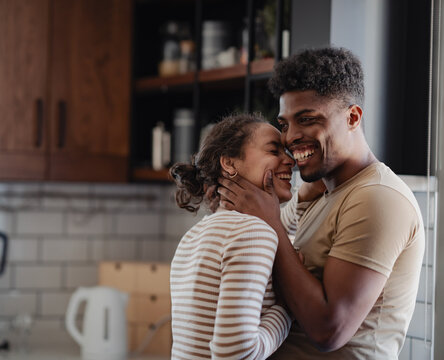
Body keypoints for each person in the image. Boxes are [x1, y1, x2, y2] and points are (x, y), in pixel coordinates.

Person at [218, 47, 425, 359]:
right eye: (285, 123)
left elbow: (330, 330)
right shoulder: (322, 193)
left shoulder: (377, 198)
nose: (290, 137)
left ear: (352, 117)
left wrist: (271, 223)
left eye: (307, 120)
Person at [169, 114, 296, 359]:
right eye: (274, 151)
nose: (290, 161)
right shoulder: (253, 233)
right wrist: (286, 308)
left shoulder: (193, 236)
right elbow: (236, 352)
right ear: (229, 163)